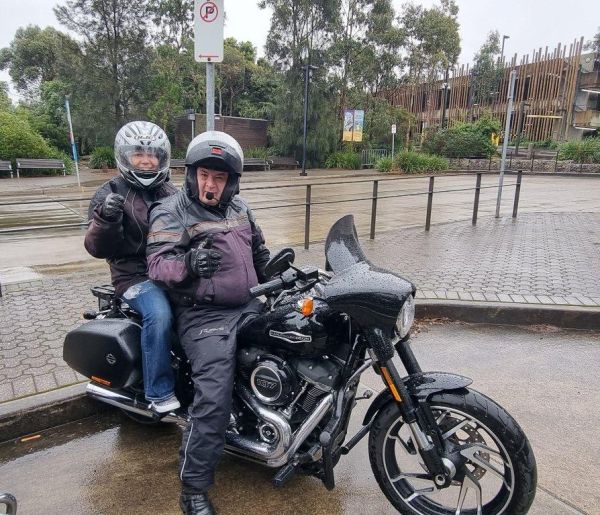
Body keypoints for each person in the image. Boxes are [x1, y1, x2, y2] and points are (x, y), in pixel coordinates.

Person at [146, 131, 270, 515]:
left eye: (219, 177)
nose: (210, 184)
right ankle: (193, 488)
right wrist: (188, 263)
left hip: (250, 304)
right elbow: (157, 265)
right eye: (204, 175)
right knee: (214, 395)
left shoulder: (241, 208)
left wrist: (282, 276)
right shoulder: (172, 211)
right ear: (191, 175)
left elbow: (260, 254)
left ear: (231, 182)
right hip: (204, 315)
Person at [84, 120, 180, 414]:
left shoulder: (170, 191)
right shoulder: (109, 193)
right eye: (139, 154)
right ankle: (158, 391)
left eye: (152, 154)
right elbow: (97, 249)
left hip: (169, 268)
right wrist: (106, 219)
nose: (146, 160)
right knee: (159, 314)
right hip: (133, 276)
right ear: (125, 156)